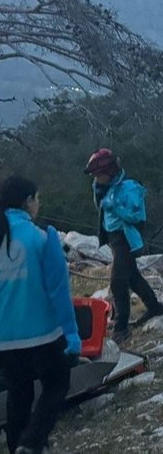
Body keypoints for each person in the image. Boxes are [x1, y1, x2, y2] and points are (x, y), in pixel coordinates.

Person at [0, 175, 81, 454]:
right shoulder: (42, 237)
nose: (39, 204)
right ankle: (32, 442)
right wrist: (72, 335)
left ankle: (16, 447)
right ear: (28, 202)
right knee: (57, 385)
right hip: (43, 333)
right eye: (37, 198)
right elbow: (58, 291)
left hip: (5, 337)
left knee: (18, 393)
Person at [84, 149, 163, 344]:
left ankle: (121, 327)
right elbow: (102, 208)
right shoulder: (103, 188)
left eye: (99, 174)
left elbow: (137, 216)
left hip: (125, 238)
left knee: (118, 282)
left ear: (110, 172)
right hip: (113, 238)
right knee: (133, 277)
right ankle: (155, 307)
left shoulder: (129, 188)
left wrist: (116, 207)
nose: (96, 178)